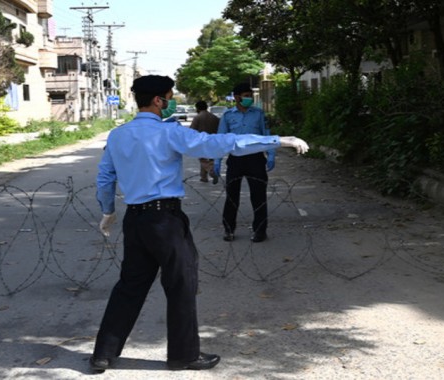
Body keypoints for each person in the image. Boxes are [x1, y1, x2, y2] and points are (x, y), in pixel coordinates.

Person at [91, 75, 309, 373]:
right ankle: (183, 355)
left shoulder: (118, 135)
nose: (170, 103)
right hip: (165, 219)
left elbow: (105, 177)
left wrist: (108, 210)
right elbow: (221, 143)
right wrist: (278, 140)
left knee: (129, 286)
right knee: (181, 285)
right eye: (168, 97)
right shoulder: (169, 133)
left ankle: (103, 352)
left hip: (135, 219)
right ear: (158, 100)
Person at [214, 83, 275, 243]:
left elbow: (266, 134)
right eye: (245, 95)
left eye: (249, 95)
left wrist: (271, 154)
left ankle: (260, 231)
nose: (248, 98)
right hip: (236, 160)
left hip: (255, 159)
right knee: (232, 196)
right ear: (236, 97)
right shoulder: (228, 116)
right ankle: (229, 229)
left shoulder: (259, 114)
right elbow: (221, 139)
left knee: (259, 196)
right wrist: (217, 160)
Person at [189, 100, 220, 184]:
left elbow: (191, 130)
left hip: (201, 141)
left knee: (203, 159)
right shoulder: (214, 117)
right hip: (213, 141)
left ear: (197, 108)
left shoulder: (198, 117)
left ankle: (211, 170)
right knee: (210, 158)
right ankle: (203, 177)